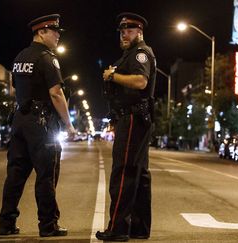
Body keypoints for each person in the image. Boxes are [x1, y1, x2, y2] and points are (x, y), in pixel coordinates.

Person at [0, 14, 75, 237]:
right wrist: (68, 124)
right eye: (54, 31)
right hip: (42, 124)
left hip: (20, 121)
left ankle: (6, 223)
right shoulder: (47, 58)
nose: (58, 35)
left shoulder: (20, 56)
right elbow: (56, 93)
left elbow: (15, 89)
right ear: (41, 32)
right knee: (46, 176)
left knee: (15, 175)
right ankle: (48, 225)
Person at [96, 12, 156, 242]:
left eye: (129, 30)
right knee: (139, 174)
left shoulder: (140, 53)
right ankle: (139, 227)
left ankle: (118, 228)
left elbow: (140, 82)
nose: (124, 34)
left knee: (123, 172)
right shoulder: (130, 54)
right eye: (121, 31)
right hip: (134, 118)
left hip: (133, 118)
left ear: (139, 32)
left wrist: (113, 76)